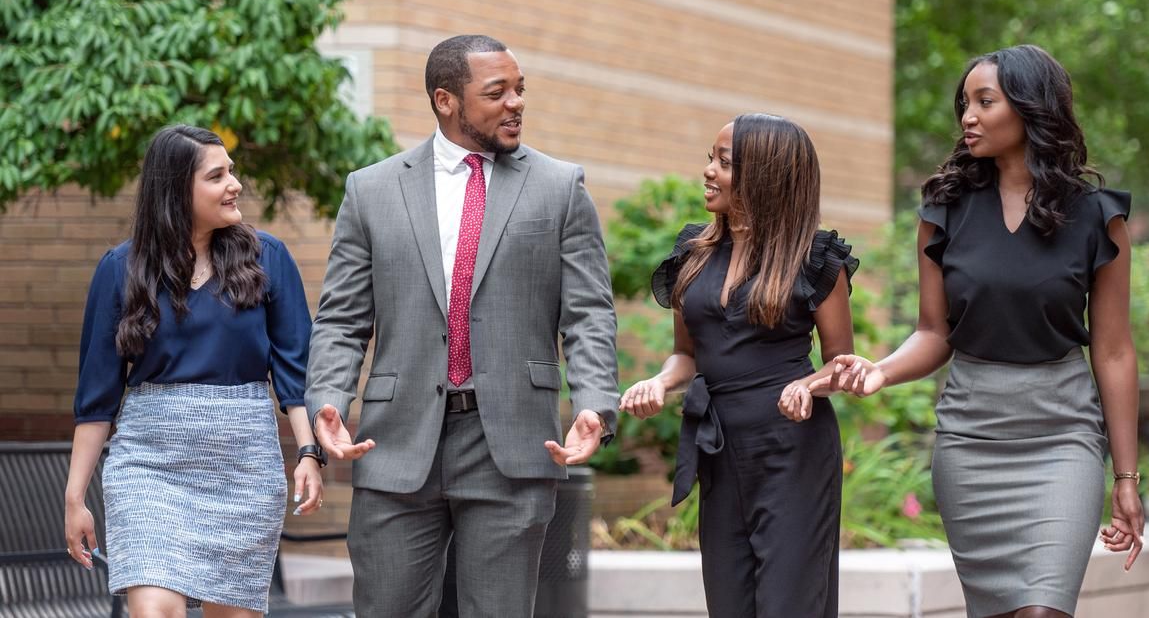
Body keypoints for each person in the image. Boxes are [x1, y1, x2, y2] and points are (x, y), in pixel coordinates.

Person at [812, 45, 1144, 618]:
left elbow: (1113, 352)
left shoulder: (1097, 217)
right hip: (972, 438)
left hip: (1063, 434)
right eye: (964, 103)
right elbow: (934, 332)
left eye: (983, 101)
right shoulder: (944, 210)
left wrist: (1126, 475)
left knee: (1042, 610)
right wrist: (880, 370)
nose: (967, 116)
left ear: (1029, 108)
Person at [305, 34, 619, 617]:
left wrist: (595, 402)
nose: (516, 103)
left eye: (520, 90)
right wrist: (327, 395)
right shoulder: (371, 190)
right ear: (445, 100)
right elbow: (342, 319)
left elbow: (588, 312)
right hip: (394, 442)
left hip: (514, 445)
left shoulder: (560, 187)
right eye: (496, 92)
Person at [64, 124, 323, 617]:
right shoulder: (120, 268)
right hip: (149, 468)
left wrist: (309, 453)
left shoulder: (267, 258)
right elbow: (96, 397)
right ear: (177, 188)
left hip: (243, 470)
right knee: (154, 608)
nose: (236, 184)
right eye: (217, 175)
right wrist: (75, 496)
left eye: (233, 171)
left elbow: (296, 373)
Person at [621, 113, 857, 617]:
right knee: (729, 602)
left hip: (792, 447)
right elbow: (687, 355)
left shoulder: (814, 258)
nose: (708, 170)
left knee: (789, 604)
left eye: (724, 162)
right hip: (719, 446)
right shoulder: (694, 253)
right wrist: (660, 383)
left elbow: (842, 363)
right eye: (710, 157)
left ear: (765, 174)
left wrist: (810, 385)